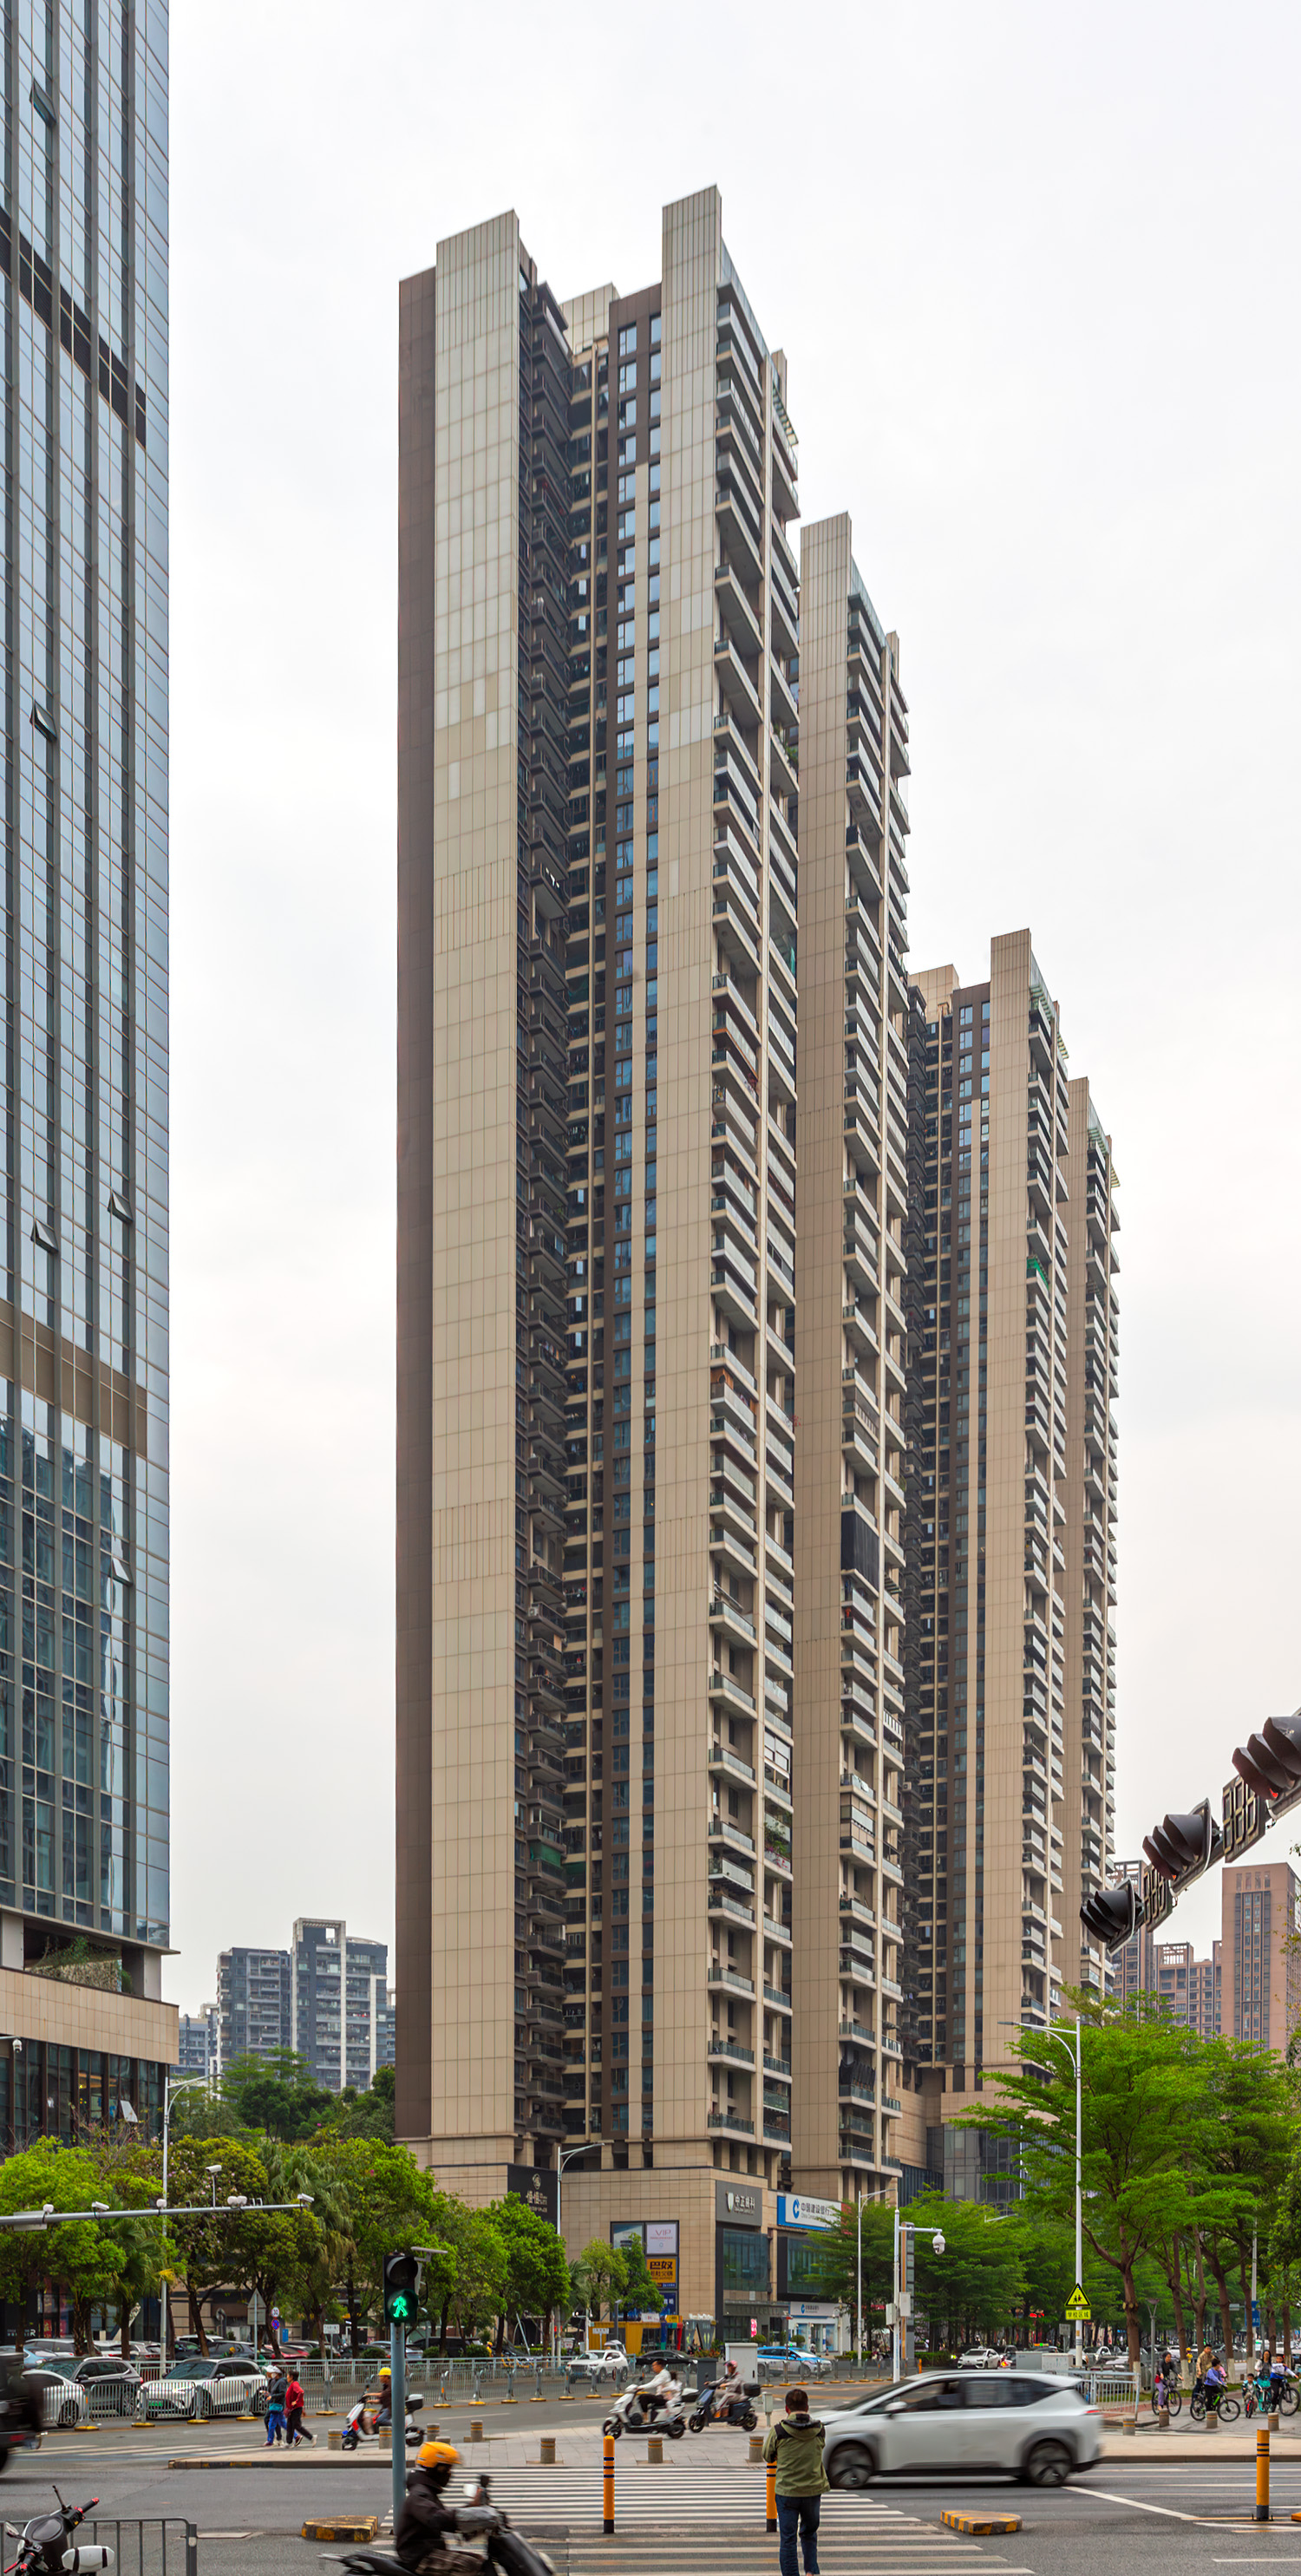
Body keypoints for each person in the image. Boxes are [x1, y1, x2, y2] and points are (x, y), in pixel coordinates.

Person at [763, 2387, 827, 2576]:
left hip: (787, 2492)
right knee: (809, 2534)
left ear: (786, 2408)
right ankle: (811, 2572)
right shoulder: (819, 2429)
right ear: (807, 2407)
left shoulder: (779, 2431)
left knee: (788, 2540)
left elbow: (767, 2455)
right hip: (812, 2491)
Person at [395, 2440, 481, 2575]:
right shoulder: (419, 2494)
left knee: (479, 2559)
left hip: (430, 2549)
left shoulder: (427, 2491)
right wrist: (465, 2515)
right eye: (447, 2469)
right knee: (470, 2565)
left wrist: (472, 2509)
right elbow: (437, 2518)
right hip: (418, 2555)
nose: (449, 2474)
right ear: (436, 2468)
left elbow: (445, 2515)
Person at [637, 2359, 676, 2424]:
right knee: (641, 2397)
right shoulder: (659, 2375)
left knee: (644, 2397)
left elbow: (655, 2384)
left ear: (659, 2366)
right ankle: (645, 2417)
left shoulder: (664, 2374)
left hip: (664, 2397)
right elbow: (651, 2383)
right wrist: (639, 2388)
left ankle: (645, 2419)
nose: (653, 2367)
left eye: (654, 2366)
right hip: (659, 2396)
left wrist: (640, 2387)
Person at [284, 2373, 312, 2446]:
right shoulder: (292, 2384)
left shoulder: (295, 2384)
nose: (287, 2377)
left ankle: (311, 2437)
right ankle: (288, 2442)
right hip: (293, 2409)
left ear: (292, 2377)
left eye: (288, 2375)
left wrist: (296, 2402)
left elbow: (301, 2392)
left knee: (296, 2425)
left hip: (296, 2409)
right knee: (290, 2425)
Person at [264, 2371, 286, 2448]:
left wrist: (272, 2397)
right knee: (277, 2423)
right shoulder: (272, 2381)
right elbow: (272, 2392)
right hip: (274, 2405)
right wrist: (268, 2394)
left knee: (271, 2421)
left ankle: (272, 2440)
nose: (267, 2373)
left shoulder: (280, 2382)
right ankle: (277, 2439)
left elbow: (282, 2393)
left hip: (277, 2405)